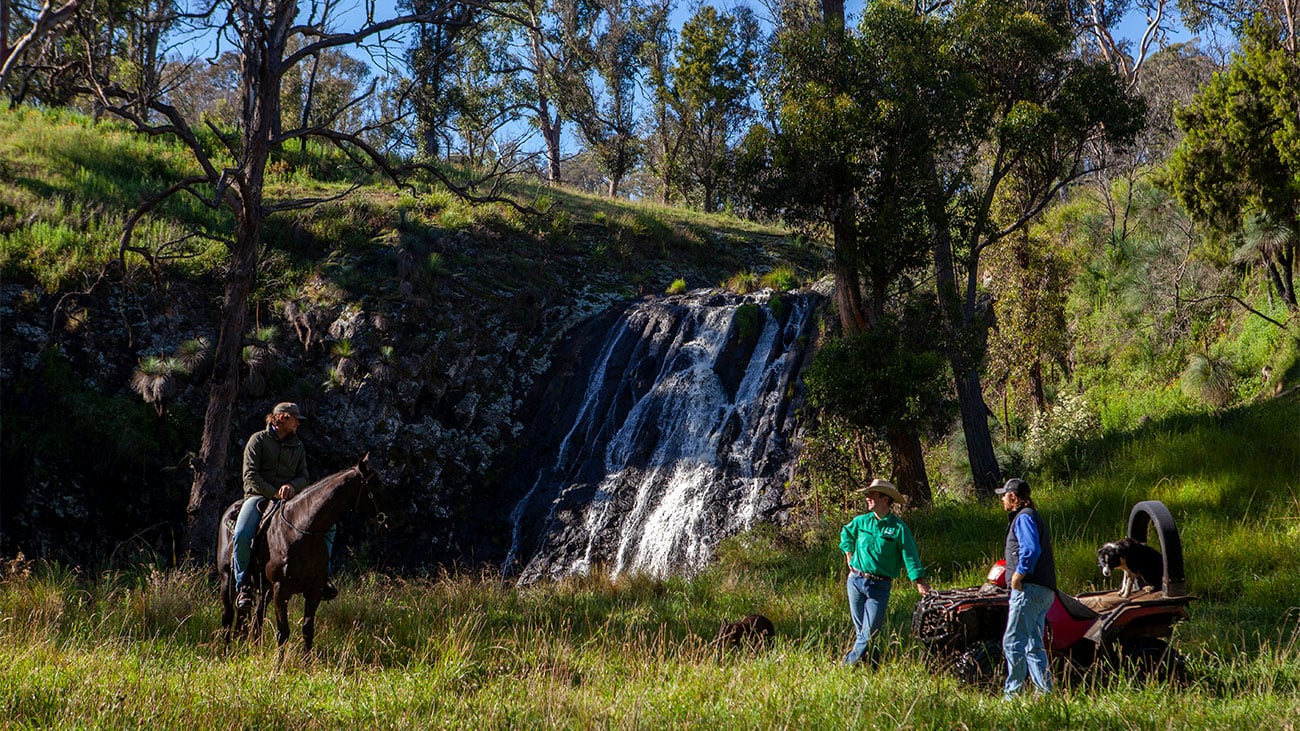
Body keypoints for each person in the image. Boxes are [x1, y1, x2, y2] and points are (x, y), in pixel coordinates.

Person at [232, 401, 335, 609]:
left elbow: (304, 477)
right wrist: (274, 493)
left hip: (291, 500)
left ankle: (324, 577)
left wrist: (291, 486)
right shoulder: (257, 440)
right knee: (242, 533)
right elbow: (250, 475)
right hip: (259, 497)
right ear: (282, 418)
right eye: (296, 419)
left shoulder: (298, 446)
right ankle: (243, 585)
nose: (298, 423)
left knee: (330, 527)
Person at [839, 478, 931, 666]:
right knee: (862, 633)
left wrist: (919, 580)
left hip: (879, 586)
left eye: (872, 495)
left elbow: (910, 556)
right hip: (855, 581)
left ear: (886, 499)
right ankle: (873, 666)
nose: (868, 498)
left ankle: (846, 666)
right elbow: (846, 533)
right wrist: (848, 553)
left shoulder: (898, 529)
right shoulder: (861, 521)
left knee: (869, 631)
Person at [997, 477, 1057, 699]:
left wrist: (1017, 578)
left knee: (1012, 642)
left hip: (1028, 590)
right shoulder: (1032, 516)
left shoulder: (1023, 518)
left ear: (1013, 496)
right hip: (1044, 590)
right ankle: (1044, 693)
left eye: (1004, 495)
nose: (1002, 499)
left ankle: (1012, 696)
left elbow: (1030, 550)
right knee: (1034, 644)